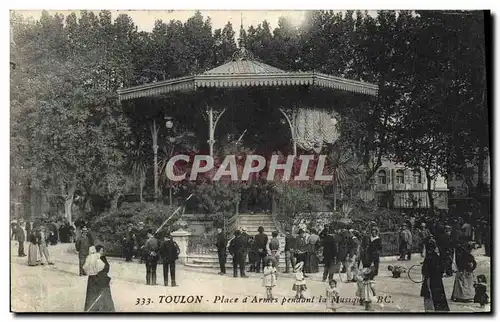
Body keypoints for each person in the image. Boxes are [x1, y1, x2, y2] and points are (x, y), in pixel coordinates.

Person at [83, 245, 115, 312]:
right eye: (101, 250)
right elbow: (105, 268)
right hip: (101, 279)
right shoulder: (100, 258)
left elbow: (85, 268)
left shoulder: (90, 257)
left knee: (92, 296)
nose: (102, 252)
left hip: (92, 280)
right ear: (98, 251)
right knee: (103, 296)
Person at [421, 238, 450, 312]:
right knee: (439, 293)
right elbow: (442, 268)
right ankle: (441, 308)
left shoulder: (428, 258)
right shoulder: (438, 257)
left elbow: (424, 271)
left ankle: (430, 310)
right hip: (437, 279)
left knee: (429, 294)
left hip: (430, 279)